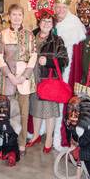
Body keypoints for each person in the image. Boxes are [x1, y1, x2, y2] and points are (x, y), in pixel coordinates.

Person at [0, 3, 37, 154]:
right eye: (14, 14)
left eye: (20, 14)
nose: (17, 17)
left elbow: (33, 56)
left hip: (24, 79)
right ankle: (8, 142)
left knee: (24, 112)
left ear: (23, 17)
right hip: (8, 78)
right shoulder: (3, 34)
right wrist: (9, 75)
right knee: (8, 111)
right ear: (9, 17)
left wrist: (24, 76)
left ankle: (21, 142)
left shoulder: (29, 35)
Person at [28, 8, 69, 152]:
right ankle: (35, 135)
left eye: (49, 21)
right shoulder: (31, 36)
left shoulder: (57, 40)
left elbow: (65, 61)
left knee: (49, 110)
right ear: (39, 22)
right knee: (35, 108)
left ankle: (49, 138)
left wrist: (49, 61)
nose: (46, 23)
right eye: (43, 20)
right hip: (33, 79)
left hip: (49, 81)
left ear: (53, 24)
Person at [54, 0, 87, 150]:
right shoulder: (53, 22)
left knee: (64, 103)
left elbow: (75, 56)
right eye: (58, 7)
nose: (61, 10)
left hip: (66, 72)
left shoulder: (74, 26)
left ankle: (62, 137)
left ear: (68, 8)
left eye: (64, 7)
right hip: (53, 70)